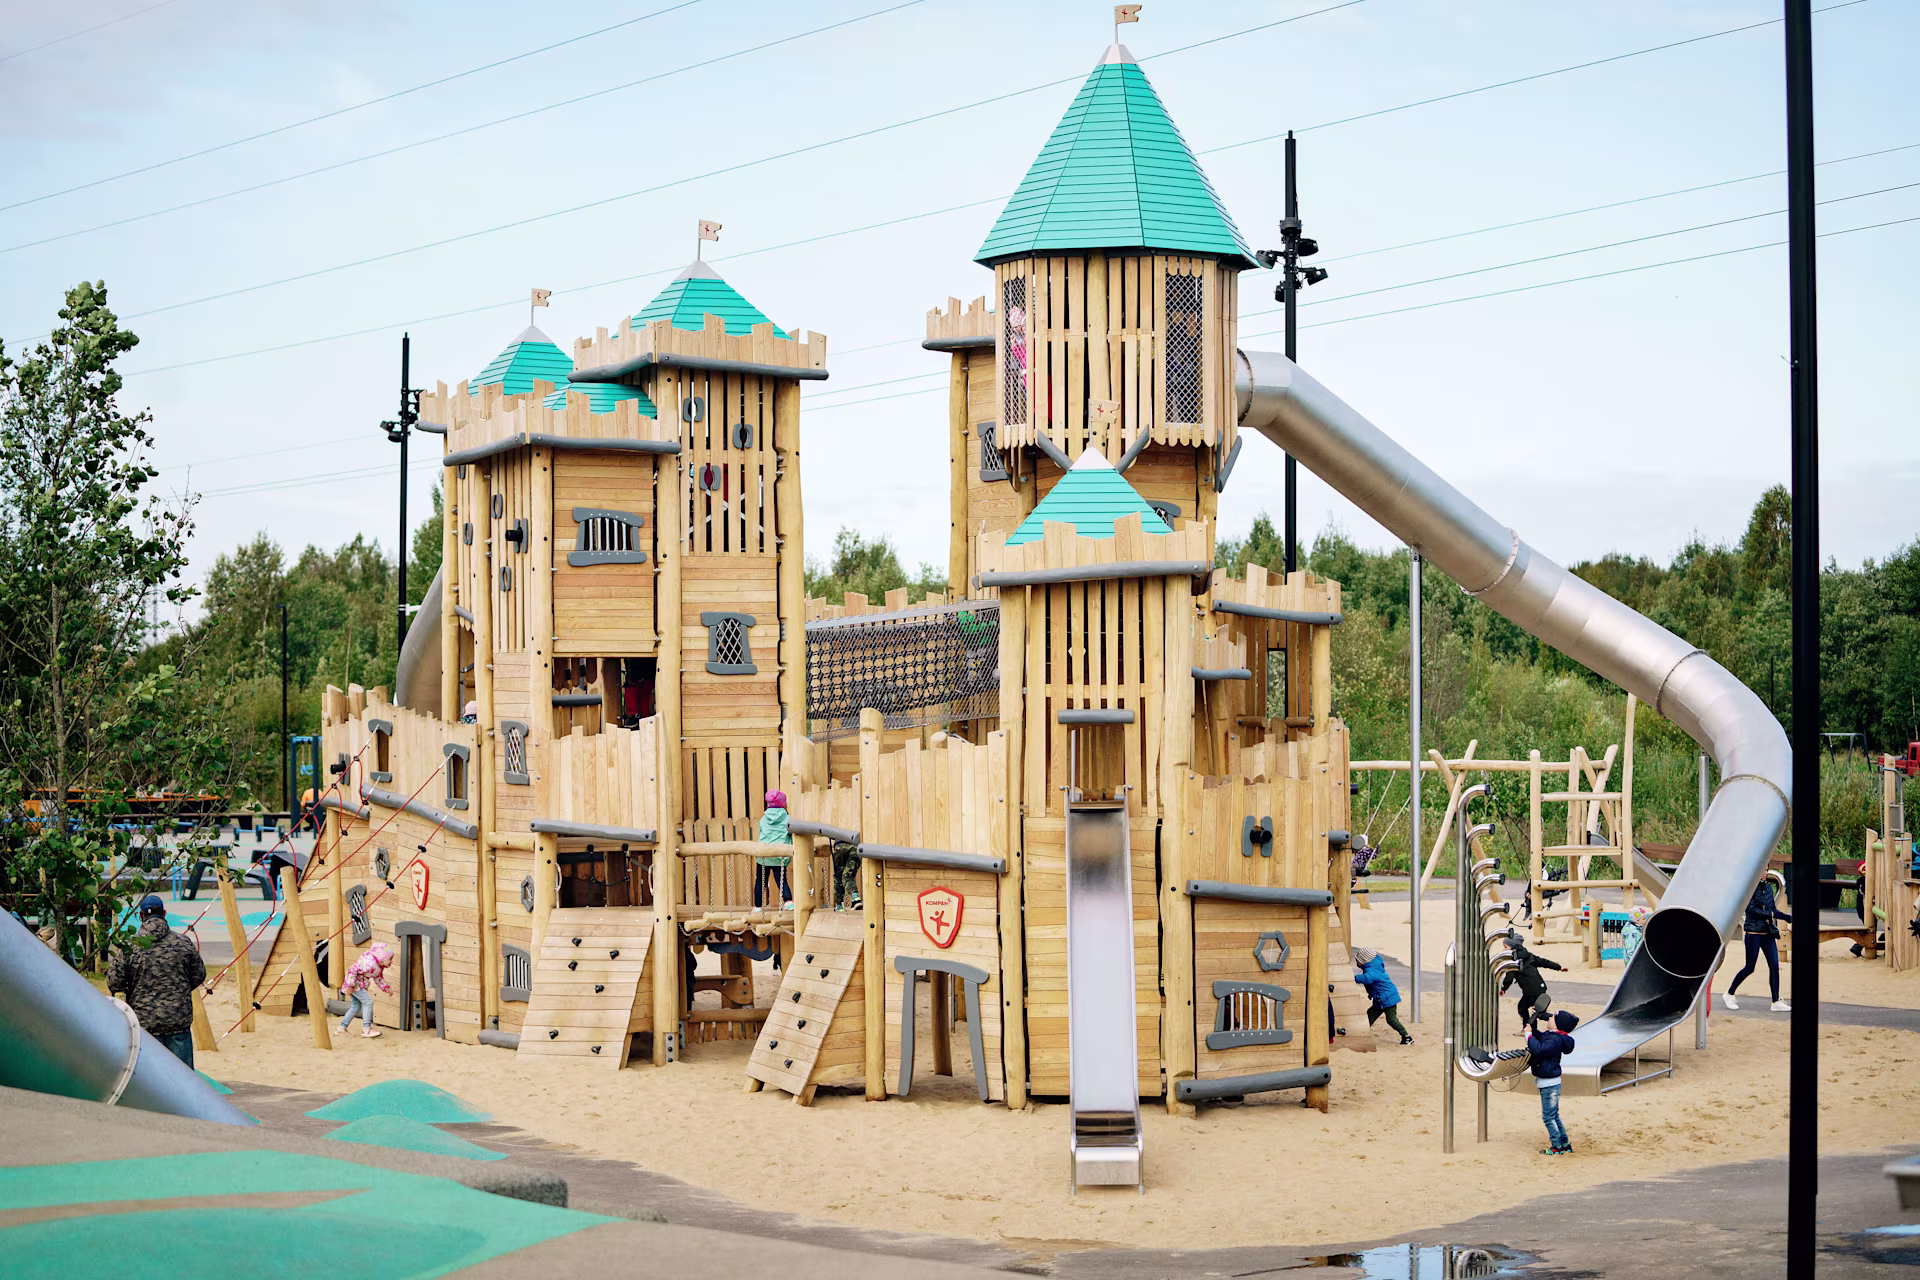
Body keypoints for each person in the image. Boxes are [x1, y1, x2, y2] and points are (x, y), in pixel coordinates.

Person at [106, 894, 207, 1067]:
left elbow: (114, 983)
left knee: (150, 1085)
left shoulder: (130, 947)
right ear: (164, 913)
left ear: (140, 915)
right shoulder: (183, 943)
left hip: (145, 1023)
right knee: (183, 1081)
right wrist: (179, 990)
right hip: (178, 1020)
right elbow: (199, 974)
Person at [1725, 873, 1792, 1012]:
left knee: (1774, 966)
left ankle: (1775, 1001)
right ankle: (1729, 994)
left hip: (1767, 933)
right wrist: (1770, 914)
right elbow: (1751, 910)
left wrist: (1786, 917)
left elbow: (1772, 909)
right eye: (1762, 869)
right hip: (1753, 933)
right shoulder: (1749, 889)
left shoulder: (1768, 888)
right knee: (1750, 967)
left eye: (1767, 869)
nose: (1765, 873)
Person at [1528, 1010, 1580, 1155]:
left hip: (1548, 1084)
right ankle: (1564, 1143)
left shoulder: (1554, 1040)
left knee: (1548, 1118)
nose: (1549, 1018)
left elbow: (1538, 1049)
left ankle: (1556, 1146)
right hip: (1551, 1083)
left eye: (1552, 1018)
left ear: (1557, 1025)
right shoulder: (1554, 1037)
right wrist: (1534, 1018)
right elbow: (1538, 1035)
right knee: (1554, 1115)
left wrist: (1527, 1035)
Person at [1500, 931, 1565, 1029]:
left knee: (1534, 1012)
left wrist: (1503, 988)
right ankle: (1529, 1029)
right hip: (1539, 987)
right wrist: (1558, 967)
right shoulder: (1528, 955)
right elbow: (1543, 962)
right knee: (1527, 1009)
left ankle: (1559, 1020)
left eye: (1505, 947)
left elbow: (1509, 977)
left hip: (1532, 991)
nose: (1504, 949)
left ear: (1513, 947)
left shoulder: (1515, 961)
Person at [1352, 947, 1412, 1044]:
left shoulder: (1372, 970)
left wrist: (1353, 978)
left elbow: (1368, 978)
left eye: (1357, 960)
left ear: (1364, 960)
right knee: (1370, 1014)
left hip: (1388, 999)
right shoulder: (1373, 966)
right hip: (1379, 999)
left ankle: (1407, 1037)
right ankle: (1362, 1033)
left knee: (1391, 1020)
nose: (1356, 962)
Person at [337, 941, 394, 1038]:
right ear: (382, 959)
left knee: (356, 1007)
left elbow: (378, 978)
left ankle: (341, 1028)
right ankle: (366, 1029)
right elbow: (352, 970)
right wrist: (350, 986)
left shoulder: (379, 966)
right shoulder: (369, 964)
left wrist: (386, 988)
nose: (391, 962)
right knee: (368, 1002)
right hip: (355, 984)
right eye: (390, 959)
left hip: (359, 984)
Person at [754, 790, 793, 909]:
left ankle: (757, 907)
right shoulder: (787, 818)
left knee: (760, 881)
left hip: (763, 855)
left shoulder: (763, 819)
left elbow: (761, 833)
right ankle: (788, 902)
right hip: (779, 855)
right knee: (781, 880)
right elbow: (791, 834)